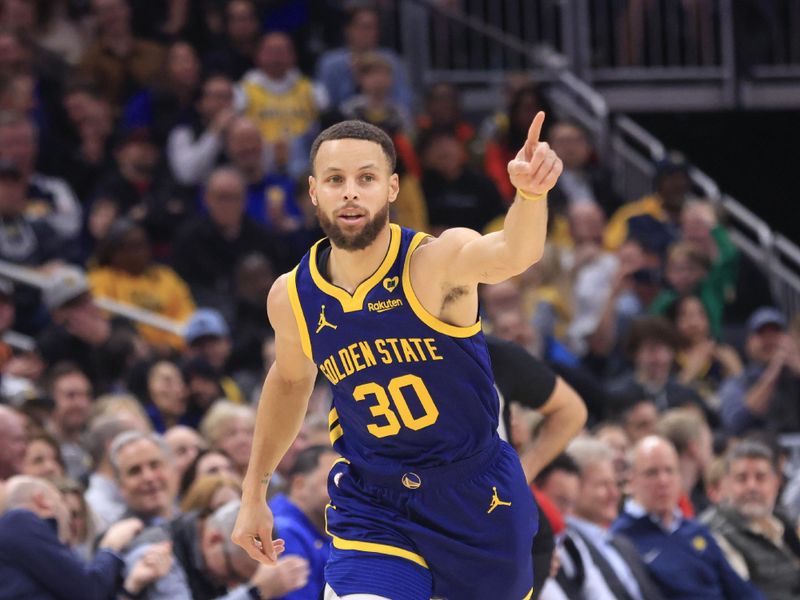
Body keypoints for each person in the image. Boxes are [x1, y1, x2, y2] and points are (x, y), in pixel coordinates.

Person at [233, 114, 563, 600]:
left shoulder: (436, 261)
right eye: (335, 180)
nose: (350, 192)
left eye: (365, 179)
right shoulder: (292, 295)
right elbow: (288, 382)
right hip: (375, 498)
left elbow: (515, 252)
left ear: (391, 188)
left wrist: (531, 196)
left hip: (475, 494)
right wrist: (253, 493)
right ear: (313, 191)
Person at [612, 436, 764, 599]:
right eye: (652, 473)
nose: (663, 481)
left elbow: (741, 590)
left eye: (670, 471)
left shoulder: (695, 530)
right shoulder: (621, 538)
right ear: (631, 480)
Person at [0, 474, 172, 600]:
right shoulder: (19, 519)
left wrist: (131, 586)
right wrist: (110, 546)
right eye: (65, 506)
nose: (71, 523)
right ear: (42, 501)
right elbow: (89, 591)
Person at [701, 440, 800, 600]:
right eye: (742, 478)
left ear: (776, 483)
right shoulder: (713, 532)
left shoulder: (781, 521)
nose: (752, 486)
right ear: (726, 484)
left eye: (760, 478)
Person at [269, 445, 340, 600]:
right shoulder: (284, 530)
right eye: (332, 482)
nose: (343, 493)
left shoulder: (323, 526)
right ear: (299, 484)